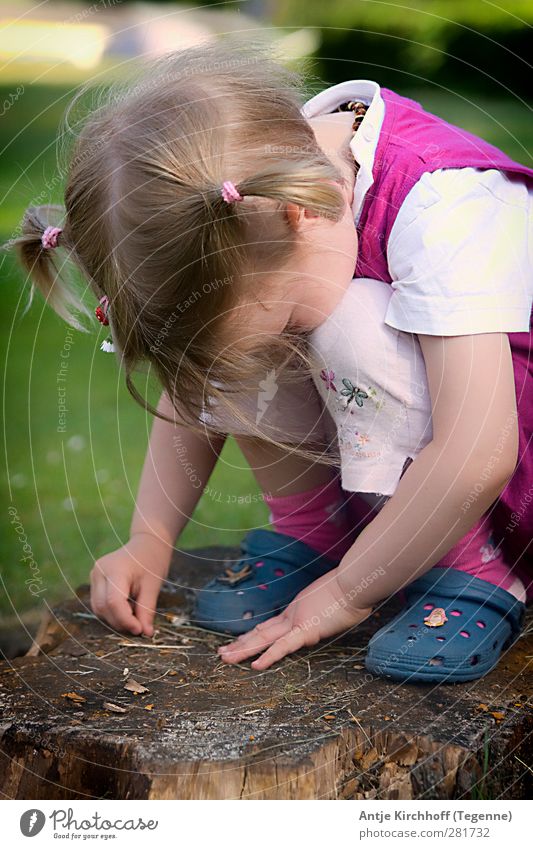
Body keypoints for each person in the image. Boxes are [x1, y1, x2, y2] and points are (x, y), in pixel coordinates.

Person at [10, 39, 532, 683]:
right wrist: (151, 537)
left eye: (276, 317)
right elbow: (201, 376)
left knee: (351, 324)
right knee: (246, 344)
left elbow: (477, 450)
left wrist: (348, 594)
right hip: (418, 473)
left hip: (505, 485)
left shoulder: (443, 208)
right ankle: (317, 533)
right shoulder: (252, 191)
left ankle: (475, 568)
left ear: (303, 213)